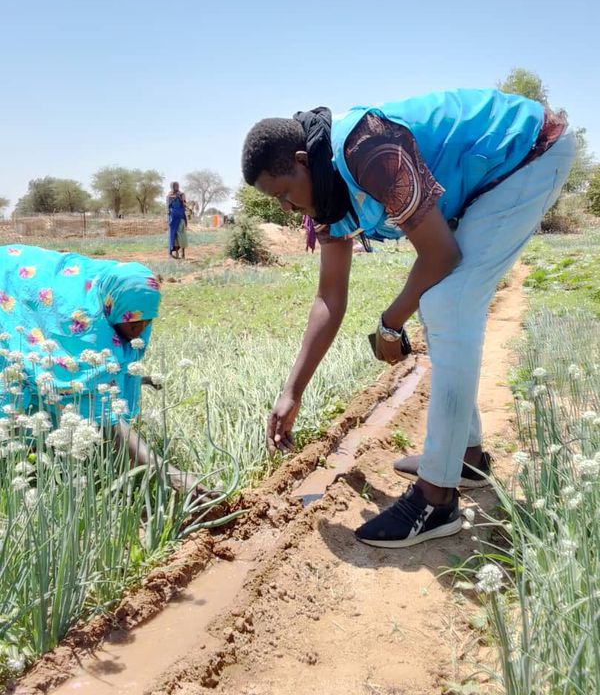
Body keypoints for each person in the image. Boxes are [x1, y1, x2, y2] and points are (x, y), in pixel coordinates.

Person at [241, 88, 575, 548]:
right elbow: (329, 299)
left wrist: (391, 322)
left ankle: (437, 498)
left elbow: (440, 255)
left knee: (445, 302)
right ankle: (467, 457)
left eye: (284, 194)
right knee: (441, 300)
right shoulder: (325, 193)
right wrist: (291, 391)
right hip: (488, 177)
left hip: (526, 154)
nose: (287, 208)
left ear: (302, 160)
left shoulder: (368, 148)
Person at [0, 244, 197, 493]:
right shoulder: (80, 323)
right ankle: (19, 462)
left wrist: (136, 378)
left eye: (147, 322)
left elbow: (113, 362)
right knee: (19, 371)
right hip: (9, 288)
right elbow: (95, 405)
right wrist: (169, 473)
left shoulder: (127, 299)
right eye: (134, 324)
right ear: (111, 308)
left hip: (30, 278)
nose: (140, 330)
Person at [167, 182, 188, 259]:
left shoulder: (182, 194)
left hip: (180, 217)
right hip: (173, 219)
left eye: (177, 185)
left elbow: (184, 205)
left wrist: (182, 200)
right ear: (171, 187)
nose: (176, 187)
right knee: (174, 236)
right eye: (174, 186)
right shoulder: (169, 196)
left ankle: (183, 253)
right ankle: (176, 253)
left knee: (182, 235)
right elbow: (168, 208)